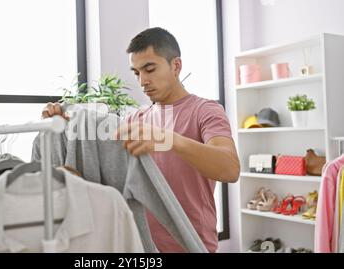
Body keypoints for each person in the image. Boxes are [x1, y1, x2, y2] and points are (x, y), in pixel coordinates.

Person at [41, 27, 240, 253]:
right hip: (140, 247)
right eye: (136, 73)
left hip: (190, 246)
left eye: (150, 69)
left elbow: (229, 168)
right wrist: (67, 124)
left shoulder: (205, 111)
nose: (143, 81)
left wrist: (169, 139)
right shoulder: (135, 118)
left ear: (176, 66)